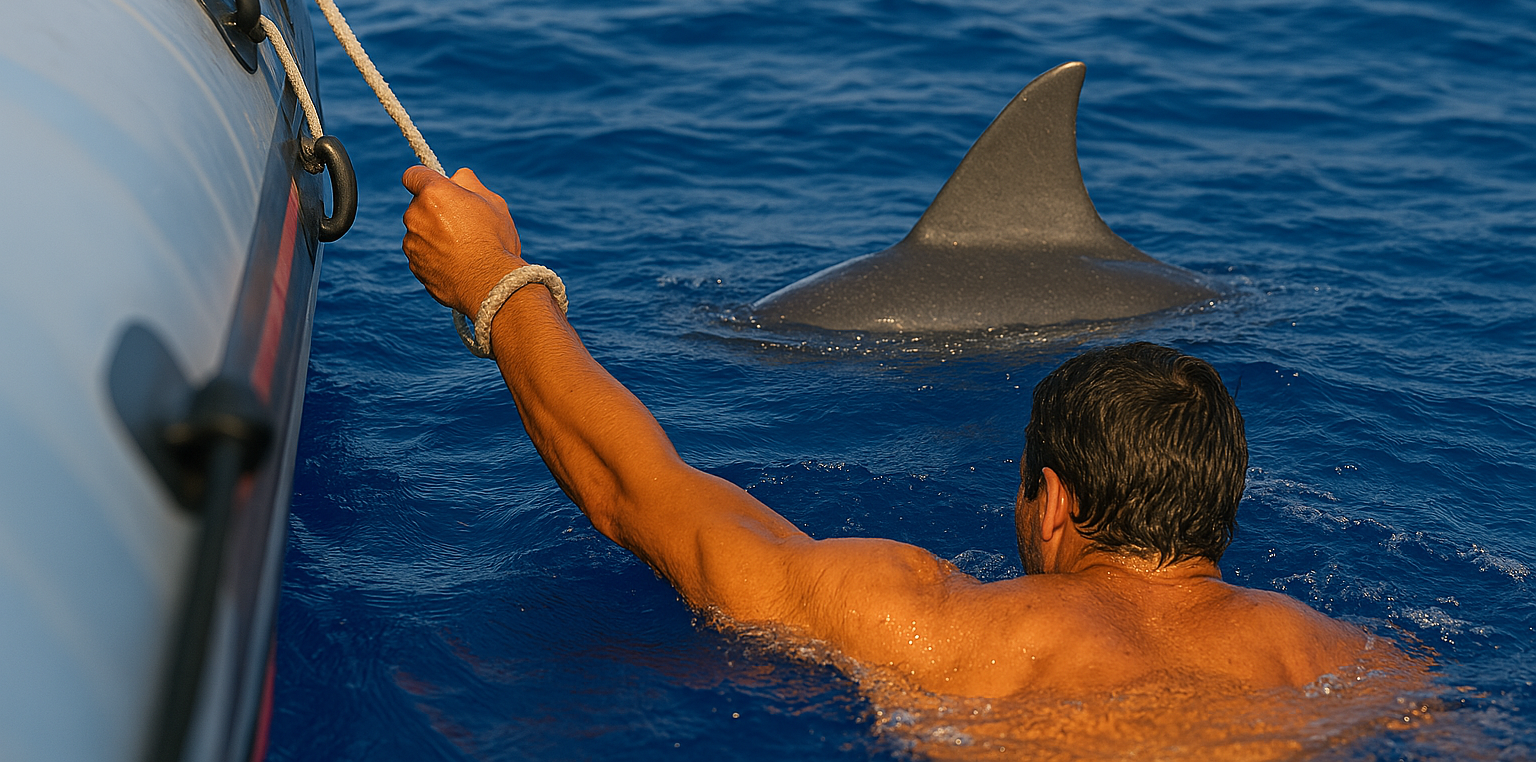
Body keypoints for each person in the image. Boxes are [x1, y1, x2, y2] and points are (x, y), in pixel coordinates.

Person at [399, 165, 1391, 699]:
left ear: (1053, 503)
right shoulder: (1356, 664)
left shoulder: (936, 625)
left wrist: (496, 282)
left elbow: (634, 490)